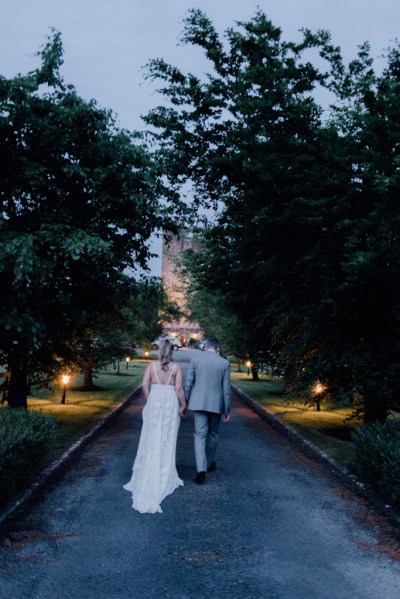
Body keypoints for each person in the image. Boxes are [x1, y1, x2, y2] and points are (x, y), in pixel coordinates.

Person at [123, 339, 187, 513]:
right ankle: (164, 470)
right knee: (167, 436)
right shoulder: (176, 368)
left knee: (151, 435)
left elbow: (144, 385)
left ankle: (147, 468)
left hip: (155, 399)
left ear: (159, 351)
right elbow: (179, 388)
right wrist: (183, 405)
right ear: (171, 352)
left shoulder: (151, 366)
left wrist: (150, 398)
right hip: (170, 401)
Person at [185, 337, 231, 484]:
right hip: (216, 405)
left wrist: (185, 401)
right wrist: (227, 409)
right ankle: (208, 463)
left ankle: (201, 470)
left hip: (198, 403)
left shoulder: (196, 360)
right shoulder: (224, 363)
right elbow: (227, 390)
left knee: (199, 435)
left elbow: (188, 383)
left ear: (205, 347)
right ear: (217, 348)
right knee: (213, 434)